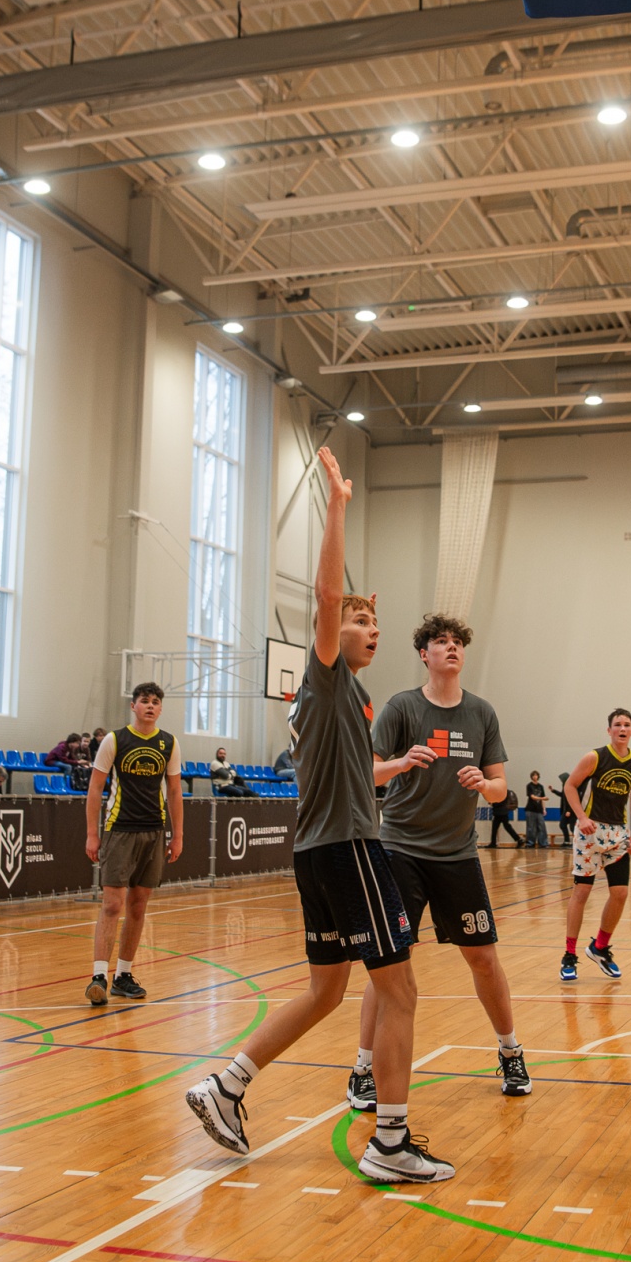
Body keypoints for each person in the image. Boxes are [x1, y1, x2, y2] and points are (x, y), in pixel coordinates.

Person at [186, 446, 451, 1184]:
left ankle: (226, 1085)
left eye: (373, 622)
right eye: (361, 620)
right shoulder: (327, 675)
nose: (370, 629)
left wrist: (395, 768)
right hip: (348, 849)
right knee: (399, 989)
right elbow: (327, 596)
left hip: (318, 850)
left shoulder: (349, 702)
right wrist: (337, 505)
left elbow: (354, 775)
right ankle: (390, 1143)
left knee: (327, 989)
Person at [361, 612, 529, 1101]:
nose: (451, 647)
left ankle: (511, 1052)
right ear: (424, 654)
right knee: (390, 963)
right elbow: (368, 772)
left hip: (457, 854)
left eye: (457, 641)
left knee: (483, 959)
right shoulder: (401, 707)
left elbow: (501, 788)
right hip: (400, 850)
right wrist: (401, 762)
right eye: (440, 641)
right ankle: (363, 1068)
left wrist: (485, 784)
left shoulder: (482, 713)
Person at [83, 683, 184, 1005]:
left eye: (155, 702)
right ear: (133, 706)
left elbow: (175, 791)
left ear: (160, 709)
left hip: (154, 831)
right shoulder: (114, 740)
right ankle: (99, 976)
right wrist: (92, 834)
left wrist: (177, 835)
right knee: (113, 904)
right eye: (144, 701)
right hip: (119, 830)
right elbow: (95, 788)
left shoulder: (169, 743)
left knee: (138, 906)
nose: (150, 706)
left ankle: (123, 976)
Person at [560, 709, 631, 982]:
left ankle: (599, 947)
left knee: (620, 893)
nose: (622, 728)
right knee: (581, 893)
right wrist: (581, 817)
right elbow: (570, 786)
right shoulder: (595, 757)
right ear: (609, 730)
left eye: (627, 724)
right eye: (617, 724)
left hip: (618, 834)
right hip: (590, 832)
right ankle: (569, 955)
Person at [523, 771, 549, 847]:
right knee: (531, 827)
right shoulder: (529, 786)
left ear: (538, 776)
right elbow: (532, 797)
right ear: (531, 777)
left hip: (539, 810)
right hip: (530, 809)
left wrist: (544, 809)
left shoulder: (541, 786)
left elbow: (542, 799)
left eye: (536, 775)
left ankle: (543, 843)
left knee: (542, 827)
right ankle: (530, 843)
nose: (535, 777)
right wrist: (542, 798)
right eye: (533, 775)